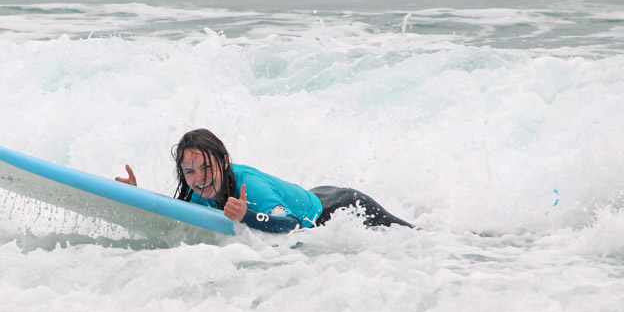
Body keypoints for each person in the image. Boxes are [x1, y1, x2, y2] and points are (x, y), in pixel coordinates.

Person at [115, 128, 412, 234]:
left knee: (410, 237)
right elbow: (175, 218)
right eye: (190, 172)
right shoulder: (198, 190)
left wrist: (248, 216)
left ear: (224, 161)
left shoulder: (249, 186)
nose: (199, 179)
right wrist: (135, 197)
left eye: (206, 167)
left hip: (339, 206)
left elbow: (294, 224)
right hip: (309, 194)